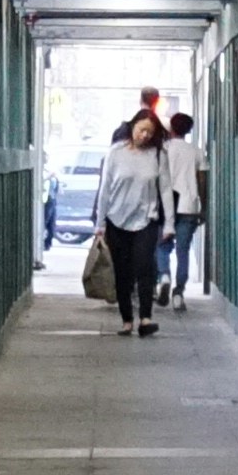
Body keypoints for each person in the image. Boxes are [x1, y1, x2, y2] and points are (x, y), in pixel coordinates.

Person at [92, 107, 173, 334]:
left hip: (147, 219)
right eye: (142, 130)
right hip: (117, 219)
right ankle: (127, 319)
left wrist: (169, 224)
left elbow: (165, 189)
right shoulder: (115, 153)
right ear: (132, 127)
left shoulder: (158, 154)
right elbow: (105, 190)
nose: (145, 136)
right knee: (122, 271)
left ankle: (145, 319)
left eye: (150, 132)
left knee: (145, 267)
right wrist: (100, 224)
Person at [155, 110, 206, 302]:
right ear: (189, 130)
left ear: (171, 128)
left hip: (165, 206)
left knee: (161, 246)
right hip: (188, 206)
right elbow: (202, 181)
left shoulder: (163, 150)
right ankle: (178, 293)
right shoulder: (196, 152)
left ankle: (164, 276)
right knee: (183, 251)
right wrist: (203, 207)